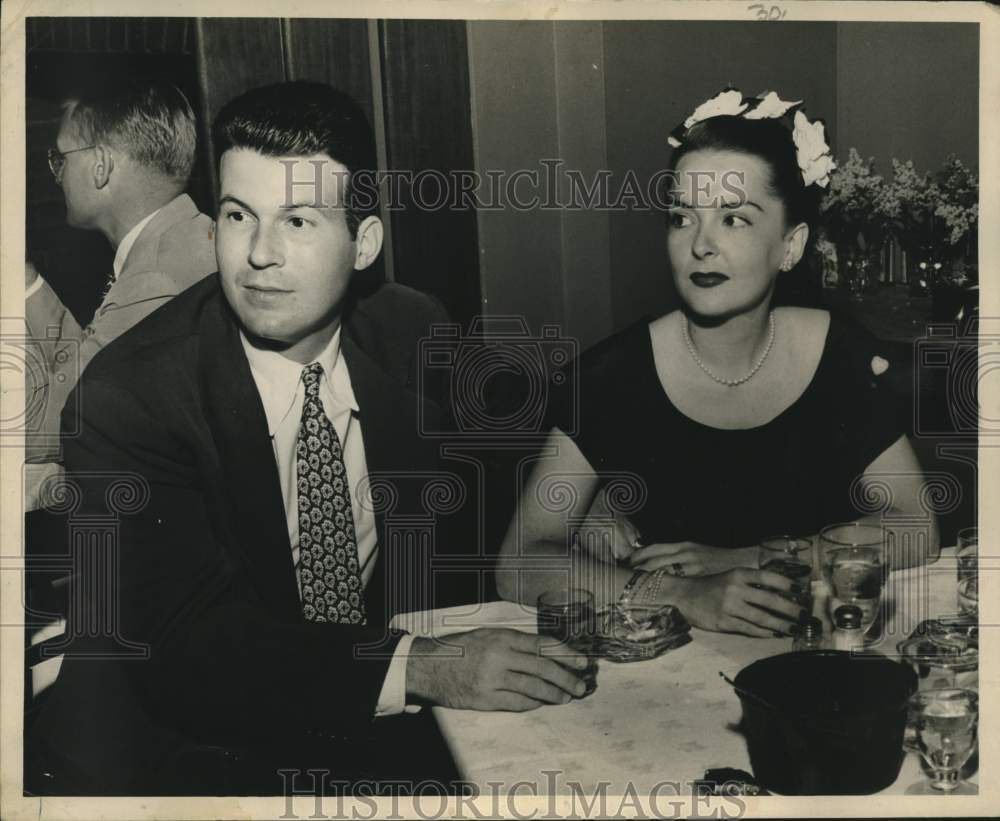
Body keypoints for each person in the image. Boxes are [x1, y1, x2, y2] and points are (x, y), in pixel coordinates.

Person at [29, 81, 589, 795]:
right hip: (175, 755)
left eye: (297, 222)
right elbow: (188, 646)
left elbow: (503, 450)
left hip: (361, 725)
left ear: (364, 243)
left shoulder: (410, 328)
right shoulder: (127, 398)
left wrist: (589, 506)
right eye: (238, 215)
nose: (259, 254)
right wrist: (421, 664)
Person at [497, 89, 938, 637]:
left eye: (734, 219)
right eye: (682, 218)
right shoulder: (612, 376)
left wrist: (754, 557)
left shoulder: (838, 355)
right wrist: (681, 594)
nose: (701, 245)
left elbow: (917, 527)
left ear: (791, 246)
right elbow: (520, 560)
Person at [24, 76, 217, 506]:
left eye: (60, 158)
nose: (56, 175)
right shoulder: (185, 241)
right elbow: (90, 372)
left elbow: (55, 426)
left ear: (101, 166)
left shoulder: (157, 278)